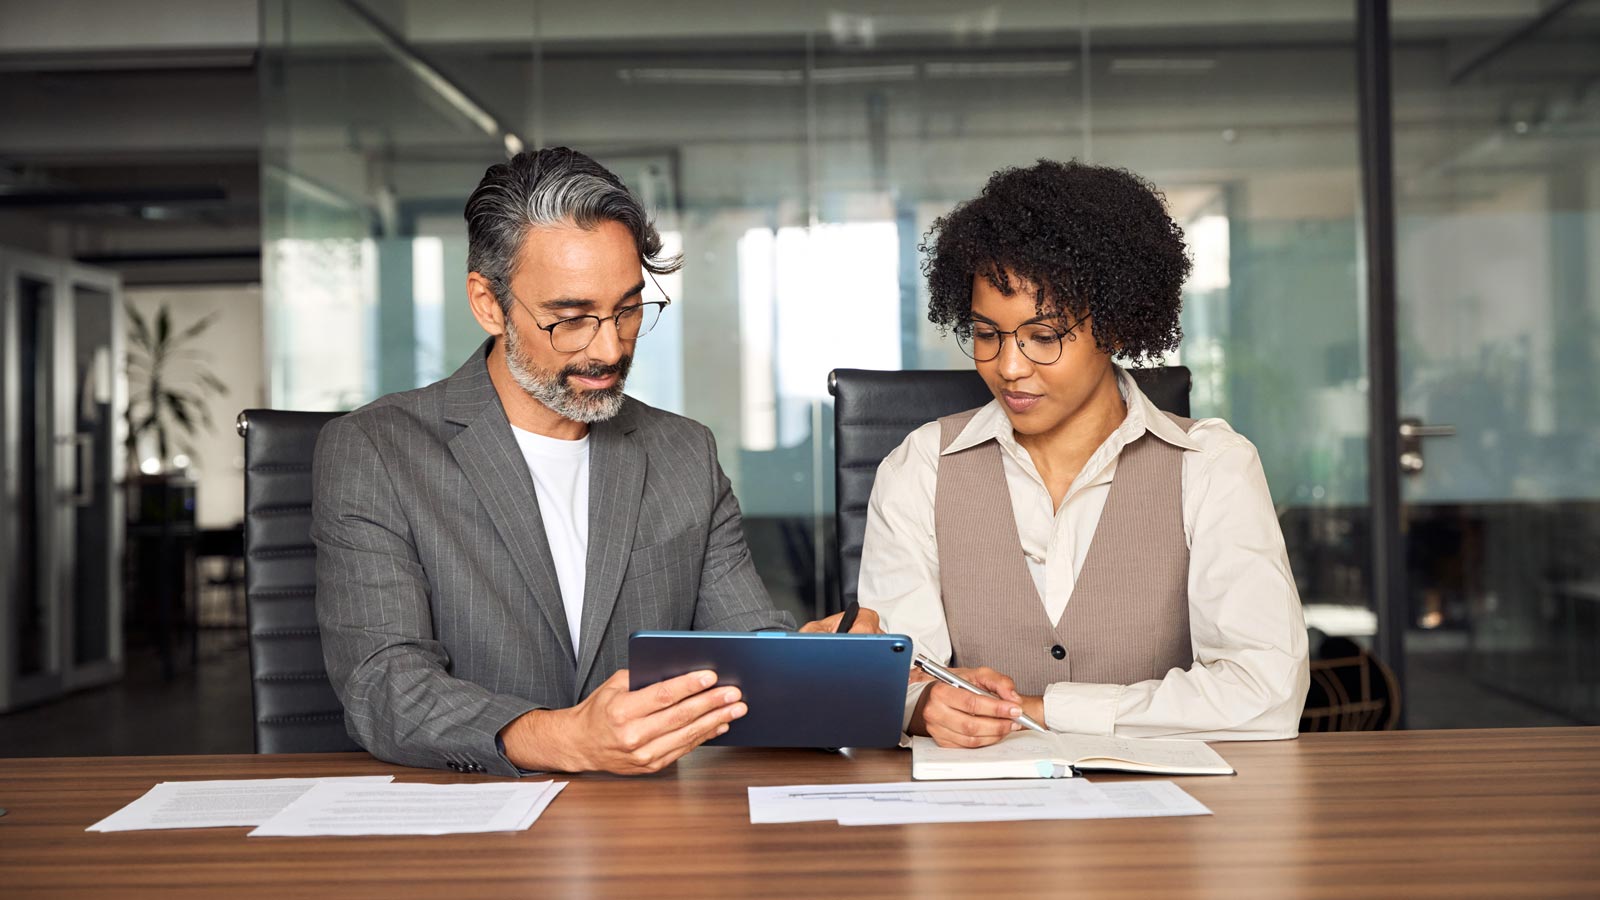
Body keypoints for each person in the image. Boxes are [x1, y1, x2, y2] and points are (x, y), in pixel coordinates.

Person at [313, 147, 867, 777]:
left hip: (647, 829)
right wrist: (563, 739)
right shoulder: (378, 450)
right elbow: (384, 687)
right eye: (570, 319)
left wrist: (817, 669)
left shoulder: (682, 453)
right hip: (469, 829)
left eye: (629, 310)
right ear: (489, 303)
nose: (608, 347)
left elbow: (743, 655)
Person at [858, 160, 1309, 749]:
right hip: (976, 822)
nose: (1009, 366)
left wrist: (1045, 710)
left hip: (1170, 822)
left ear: (1118, 326)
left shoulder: (1211, 466)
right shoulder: (921, 466)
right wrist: (922, 707)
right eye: (988, 334)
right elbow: (903, 678)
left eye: (1044, 337)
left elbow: (1265, 695)